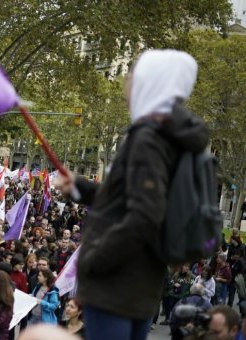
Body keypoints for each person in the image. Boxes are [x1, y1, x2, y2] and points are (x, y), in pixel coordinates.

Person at [54, 50, 209, 340]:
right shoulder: (170, 136)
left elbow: (145, 215)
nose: (126, 83)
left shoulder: (148, 138)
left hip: (116, 285)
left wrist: (95, 260)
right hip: (141, 283)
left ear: (149, 83)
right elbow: (132, 199)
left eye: (131, 75)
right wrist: (82, 188)